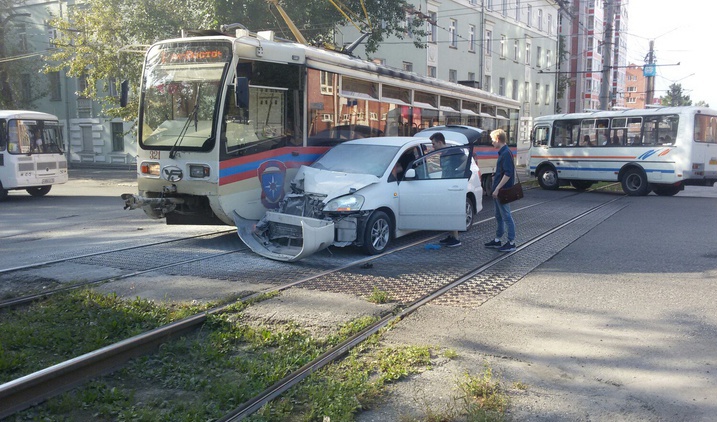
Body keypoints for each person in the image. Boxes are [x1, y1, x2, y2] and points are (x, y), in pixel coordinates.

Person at [484, 128, 517, 252]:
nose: (492, 143)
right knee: (499, 215)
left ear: (498, 139)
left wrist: (497, 188)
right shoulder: (505, 152)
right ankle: (498, 240)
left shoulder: (505, 153)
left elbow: (508, 173)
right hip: (499, 189)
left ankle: (511, 242)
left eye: (493, 140)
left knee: (506, 215)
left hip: (502, 190)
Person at [430, 132, 463, 248]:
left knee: (452, 211)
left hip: (452, 185)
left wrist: (458, 171)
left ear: (440, 142)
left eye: (434, 144)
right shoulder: (443, 154)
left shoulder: (454, 151)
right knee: (447, 211)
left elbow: (465, 160)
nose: (433, 147)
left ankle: (456, 238)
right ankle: (451, 236)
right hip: (446, 184)